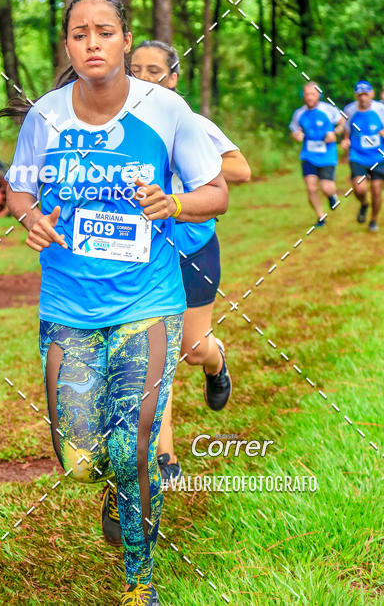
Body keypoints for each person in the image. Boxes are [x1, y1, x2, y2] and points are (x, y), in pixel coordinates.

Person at [3, 0, 228, 606]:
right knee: (79, 460)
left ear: (125, 40)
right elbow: (19, 191)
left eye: (105, 31)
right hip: (67, 308)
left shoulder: (167, 109)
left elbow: (217, 192)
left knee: (133, 448)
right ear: (68, 45)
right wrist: (30, 220)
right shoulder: (45, 116)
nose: (92, 42)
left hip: (146, 302)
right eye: (80, 34)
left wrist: (174, 203)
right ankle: (122, 476)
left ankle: (140, 581)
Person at [130, 40, 251, 481]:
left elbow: (240, 171)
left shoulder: (191, 121)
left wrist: (189, 164)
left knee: (193, 350)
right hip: (144, 252)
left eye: (154, 71)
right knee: (152, 357)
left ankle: (217, 364)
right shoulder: (115, 126)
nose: (143, 79)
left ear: (173, 78)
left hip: (194, 247)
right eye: (136, 70)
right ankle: (166, 455)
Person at [289, 82, 344, 226]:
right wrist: (297, 135)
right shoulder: (299, 113)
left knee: (326, 187)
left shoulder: (329, 109)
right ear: (303, 96)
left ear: (318, 94)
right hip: (308, 155)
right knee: (311, 187)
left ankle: (332, 195)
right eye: (307, 94)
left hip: (327, 155)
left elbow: (343, 122)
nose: (309, 97)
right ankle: (321, 217)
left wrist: (335, 133)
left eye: (312, 94)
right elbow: (294, 130)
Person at [342, 81, 384, 232]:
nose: (363, 98)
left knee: (376, 190)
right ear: (356, 96)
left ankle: (373, 220)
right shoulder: (349, 110)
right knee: (360, 189)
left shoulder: (380, 109)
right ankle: (364, 203)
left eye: (366, 94)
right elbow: (347, 131)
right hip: (357, 155)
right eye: (360, 95)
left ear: (372, 94)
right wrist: (345, 141)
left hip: (378, 157)